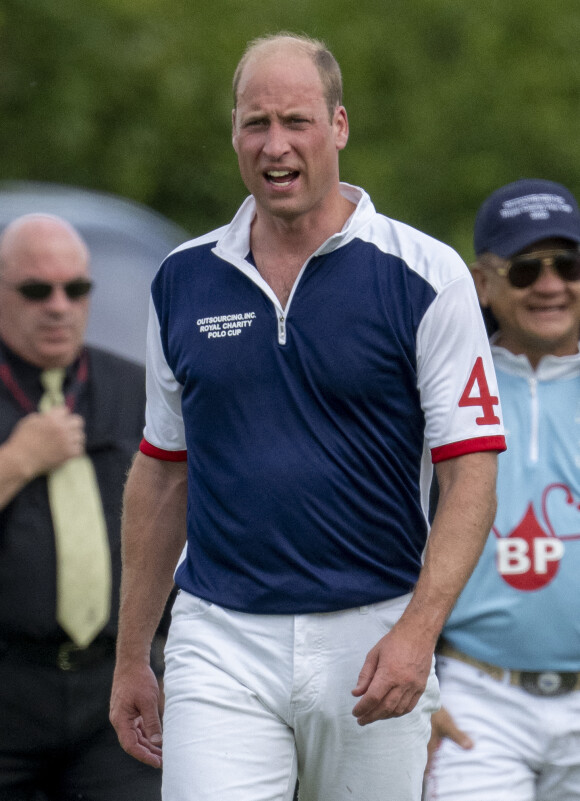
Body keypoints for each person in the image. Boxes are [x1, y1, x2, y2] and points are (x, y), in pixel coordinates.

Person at [109, 33, 505, 801]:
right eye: (256, 123)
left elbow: (472, 475)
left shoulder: (426, 275)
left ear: (340, 126)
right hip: (221, 636)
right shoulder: (181, 279)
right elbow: (162, 473)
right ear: (233, 133)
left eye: (297, 120)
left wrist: (419, 631)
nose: (275, 145)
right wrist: (131, 656)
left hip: (374, 633)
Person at [0, 213, 166, 801]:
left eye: (76, 289)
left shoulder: (136, 390)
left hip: (113, 688)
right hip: (10, 689)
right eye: (36, 290)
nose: (59, 306)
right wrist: (17, 462)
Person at [424, 179, 580, 801]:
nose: (549, 286)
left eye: (568, 266)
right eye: (525, 271)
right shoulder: (441, 385)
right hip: (476, 697)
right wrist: (423, 686)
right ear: (482, 282)